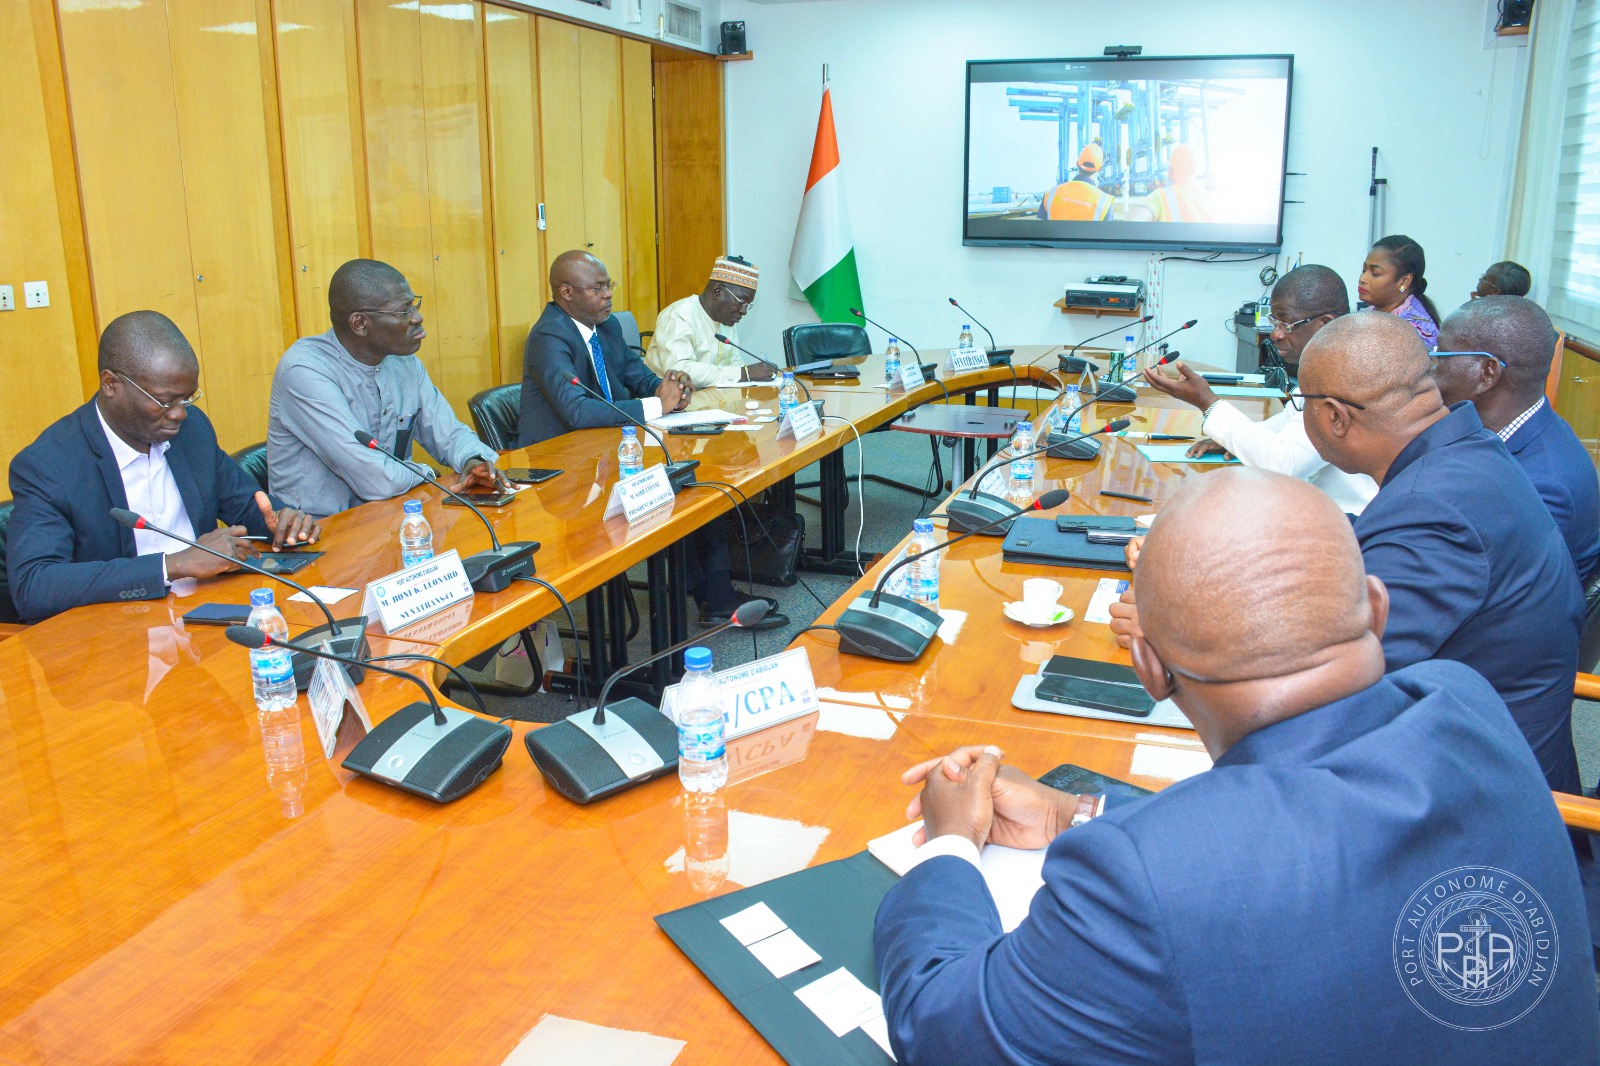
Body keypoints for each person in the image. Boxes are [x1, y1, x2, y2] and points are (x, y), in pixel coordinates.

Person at [875, 469, 1594, 1065]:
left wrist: (950, 843)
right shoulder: (1463, 699)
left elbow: (943, 1031)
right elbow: (1313, 850)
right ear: (1377, 610)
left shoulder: (1145, 882)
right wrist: (1076, 812)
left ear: (1149, 667)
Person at [519, 250, 787, 631]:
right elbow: (577, 410)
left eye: (607, 286)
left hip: (609, 450)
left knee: (694, 484)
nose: (608, 296)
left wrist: (674, 389)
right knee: (675, 491)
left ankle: (715, 596)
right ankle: (709, 597)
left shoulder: (606, 328)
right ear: (566, 292)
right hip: (564, 472)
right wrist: (653, 405)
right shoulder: (549, 336)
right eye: (597, 288)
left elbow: (639, 376)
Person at [8, 311, 320, 622]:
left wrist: (282, 523)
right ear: (111, 383)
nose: (179, 414)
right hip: (118, 635)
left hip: (207, 616)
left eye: (187, 399)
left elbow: (248, 509)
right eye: (165, 400)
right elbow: (34, 586)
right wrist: (172, 565)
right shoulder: (49, 465)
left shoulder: (191, 431)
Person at [268, 259, 509, 518]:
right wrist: (430, 474)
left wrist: (472, 461)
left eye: (414, 305)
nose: (417, 317)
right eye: (404, 312)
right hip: (323, 533)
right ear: (360, 324)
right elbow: (373, 477)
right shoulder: (305, 371)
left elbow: (448, 433)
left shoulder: (404, 362)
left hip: (393, 518)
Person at [1140, 264, 1377, 514]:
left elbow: (1281, 464)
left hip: (1350, 525)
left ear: (1324, 324)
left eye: (1286, 324)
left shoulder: (1346, 378)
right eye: (1274, 321)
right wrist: (1231, 440)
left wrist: (1207, 402)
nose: (1274, 335)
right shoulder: (1328, 366)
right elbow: (1284, 426)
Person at [1432, 296, 1599, 583]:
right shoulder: (1500, 427)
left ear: (1487, 373)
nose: (1430, 368)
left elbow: (1468, 581)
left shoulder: (1544, 487)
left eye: (1440, 356)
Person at [645, 256, 774, 388]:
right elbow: (679, 372)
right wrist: (744, 373)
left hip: (710, 400)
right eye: (741, 302)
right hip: (669, 403)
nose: (744, 311)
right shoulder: (679, 314)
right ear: (717, 291)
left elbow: (734, 366)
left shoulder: (726, 320)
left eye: (748, 305)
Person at [1358, 234, 1440, 349]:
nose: (1363, 279)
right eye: (1364, 270)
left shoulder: (1412, 334)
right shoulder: (1366, 314)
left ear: (1404, 281)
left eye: (1375, 273)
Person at [1036, 143, 1113, 221]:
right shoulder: (1104, 202)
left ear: (1077, 163)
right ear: (1100, 169)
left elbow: (1040, 229)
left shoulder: (1051, 194)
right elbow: (1107, 232)